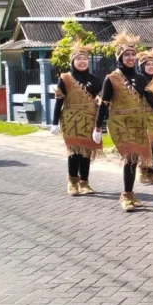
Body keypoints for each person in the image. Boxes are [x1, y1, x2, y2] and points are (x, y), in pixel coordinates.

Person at [95, 32, 153, 212]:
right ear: (119, 58)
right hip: (119, 123)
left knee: (136, 158)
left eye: (132, 55)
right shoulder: (111, 78)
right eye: (126, 55)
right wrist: (98, 127)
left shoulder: (141, 78)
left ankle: (130, 193)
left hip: (139, 123)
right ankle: (127, 195)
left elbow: (152, 101)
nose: (130, 58)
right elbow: (104, 104)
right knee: (130, 157)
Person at [50, 44, 103, 196]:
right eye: (78, 59)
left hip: (89, 119)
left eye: (85, 59)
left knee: (86, 151)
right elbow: (59, 102)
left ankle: (84, 182)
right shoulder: (65, 79)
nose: (82, 62)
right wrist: (54, 123)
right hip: (70, 119)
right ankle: (72, 182)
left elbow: (101, 103)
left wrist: (100, 124)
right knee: (74, 151)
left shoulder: (95, 80)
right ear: (72, 61)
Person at [137, 50, 153, 185]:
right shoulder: (139, 80)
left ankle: (151, 173)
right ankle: (142, 171)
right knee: (145, 145)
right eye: (147, 65)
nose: (151, 67)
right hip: (143, 117)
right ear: (142, 67)